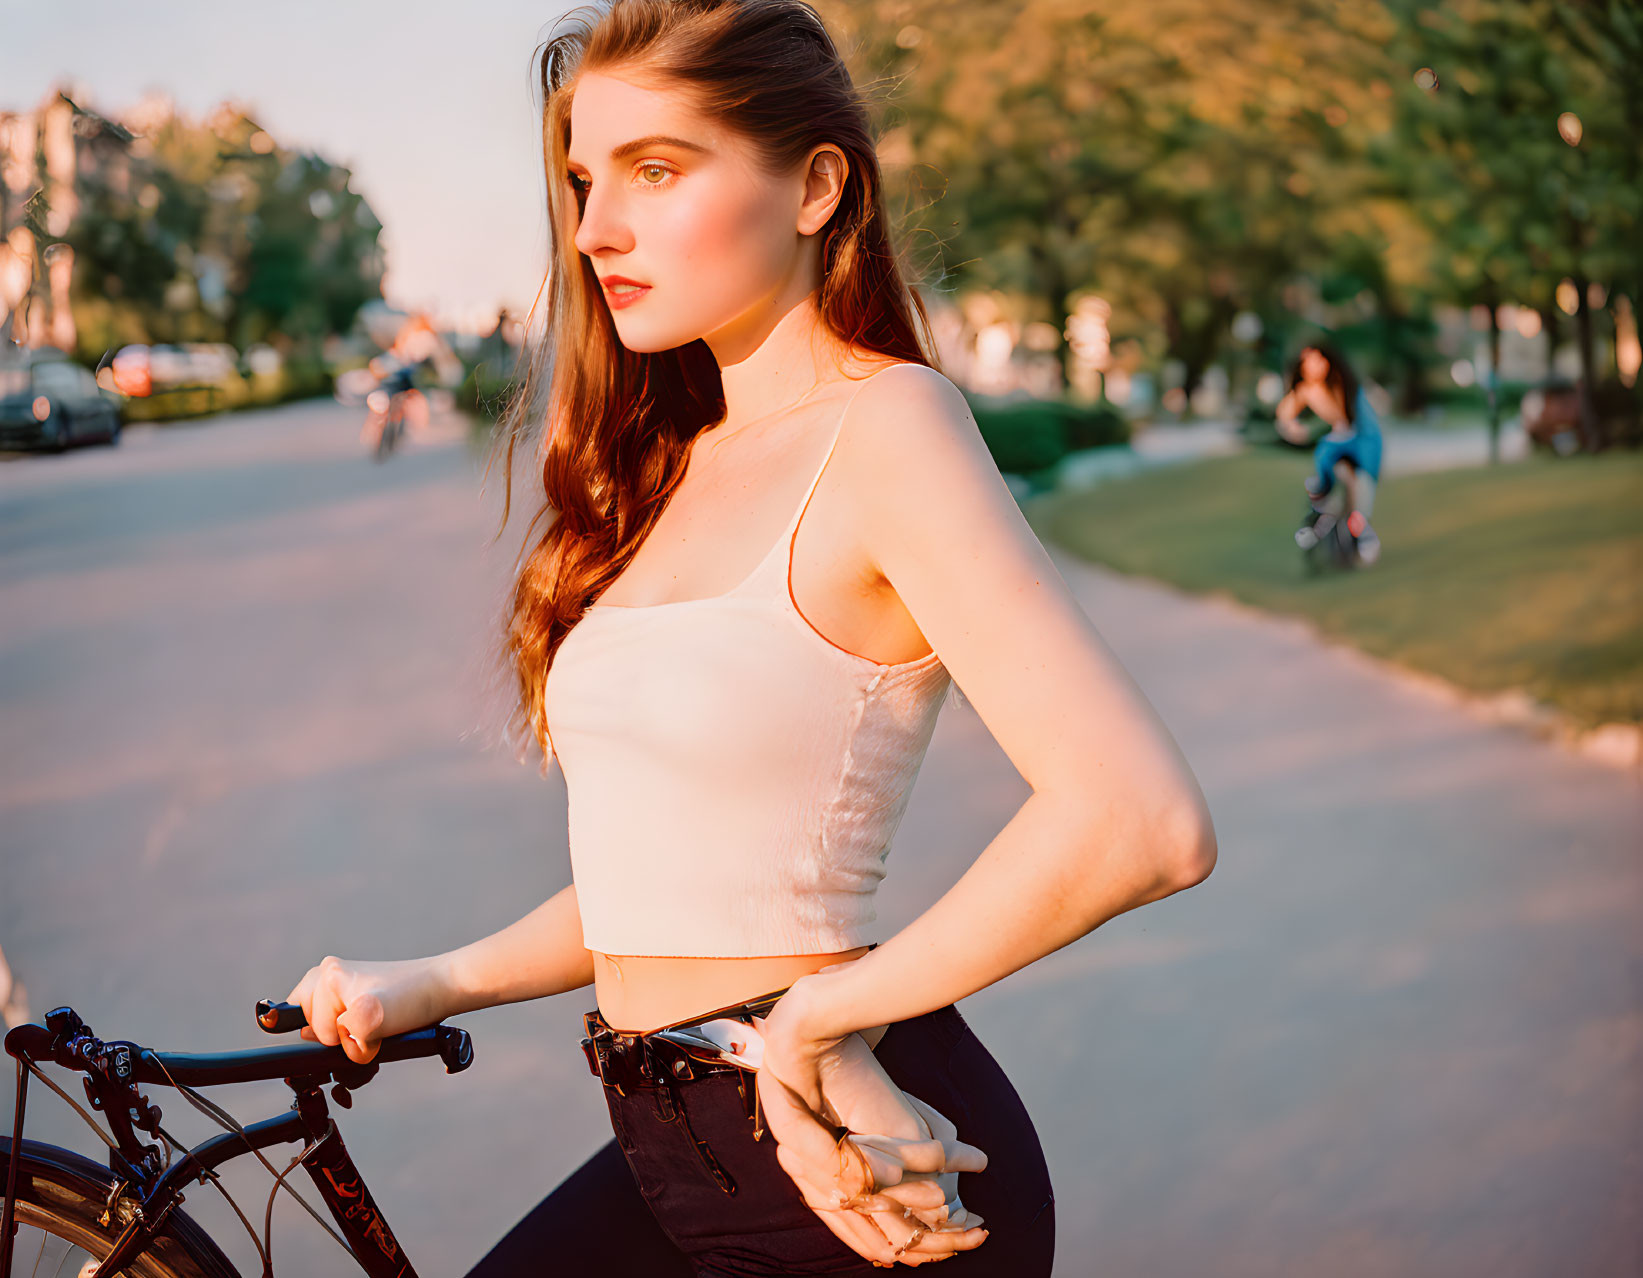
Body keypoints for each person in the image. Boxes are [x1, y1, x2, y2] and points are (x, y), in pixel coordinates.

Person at [283, 2, 1218, 1273]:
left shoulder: (888, 426)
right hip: (677, 1138)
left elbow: (1139, 822)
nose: (594, 228)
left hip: (857, 1160)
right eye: (581, 180)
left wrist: (821, 1023)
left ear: (816, 186)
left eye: (656, 171)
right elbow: (676, 878)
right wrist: (438, 981)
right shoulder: (675, 463)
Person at [1275, 343, 1384, 565]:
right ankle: (1319, 515)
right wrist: (1292, 428)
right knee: (1325, 468)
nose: (1315, 367)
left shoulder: (1339, 382)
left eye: (1319, 360)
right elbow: (1284, 414)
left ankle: (1358, 535)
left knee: (1360, 489)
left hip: (1360, 442)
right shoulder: (1306, 389)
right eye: (1308, 363)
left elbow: (1344, 418)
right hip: (1338, 443)